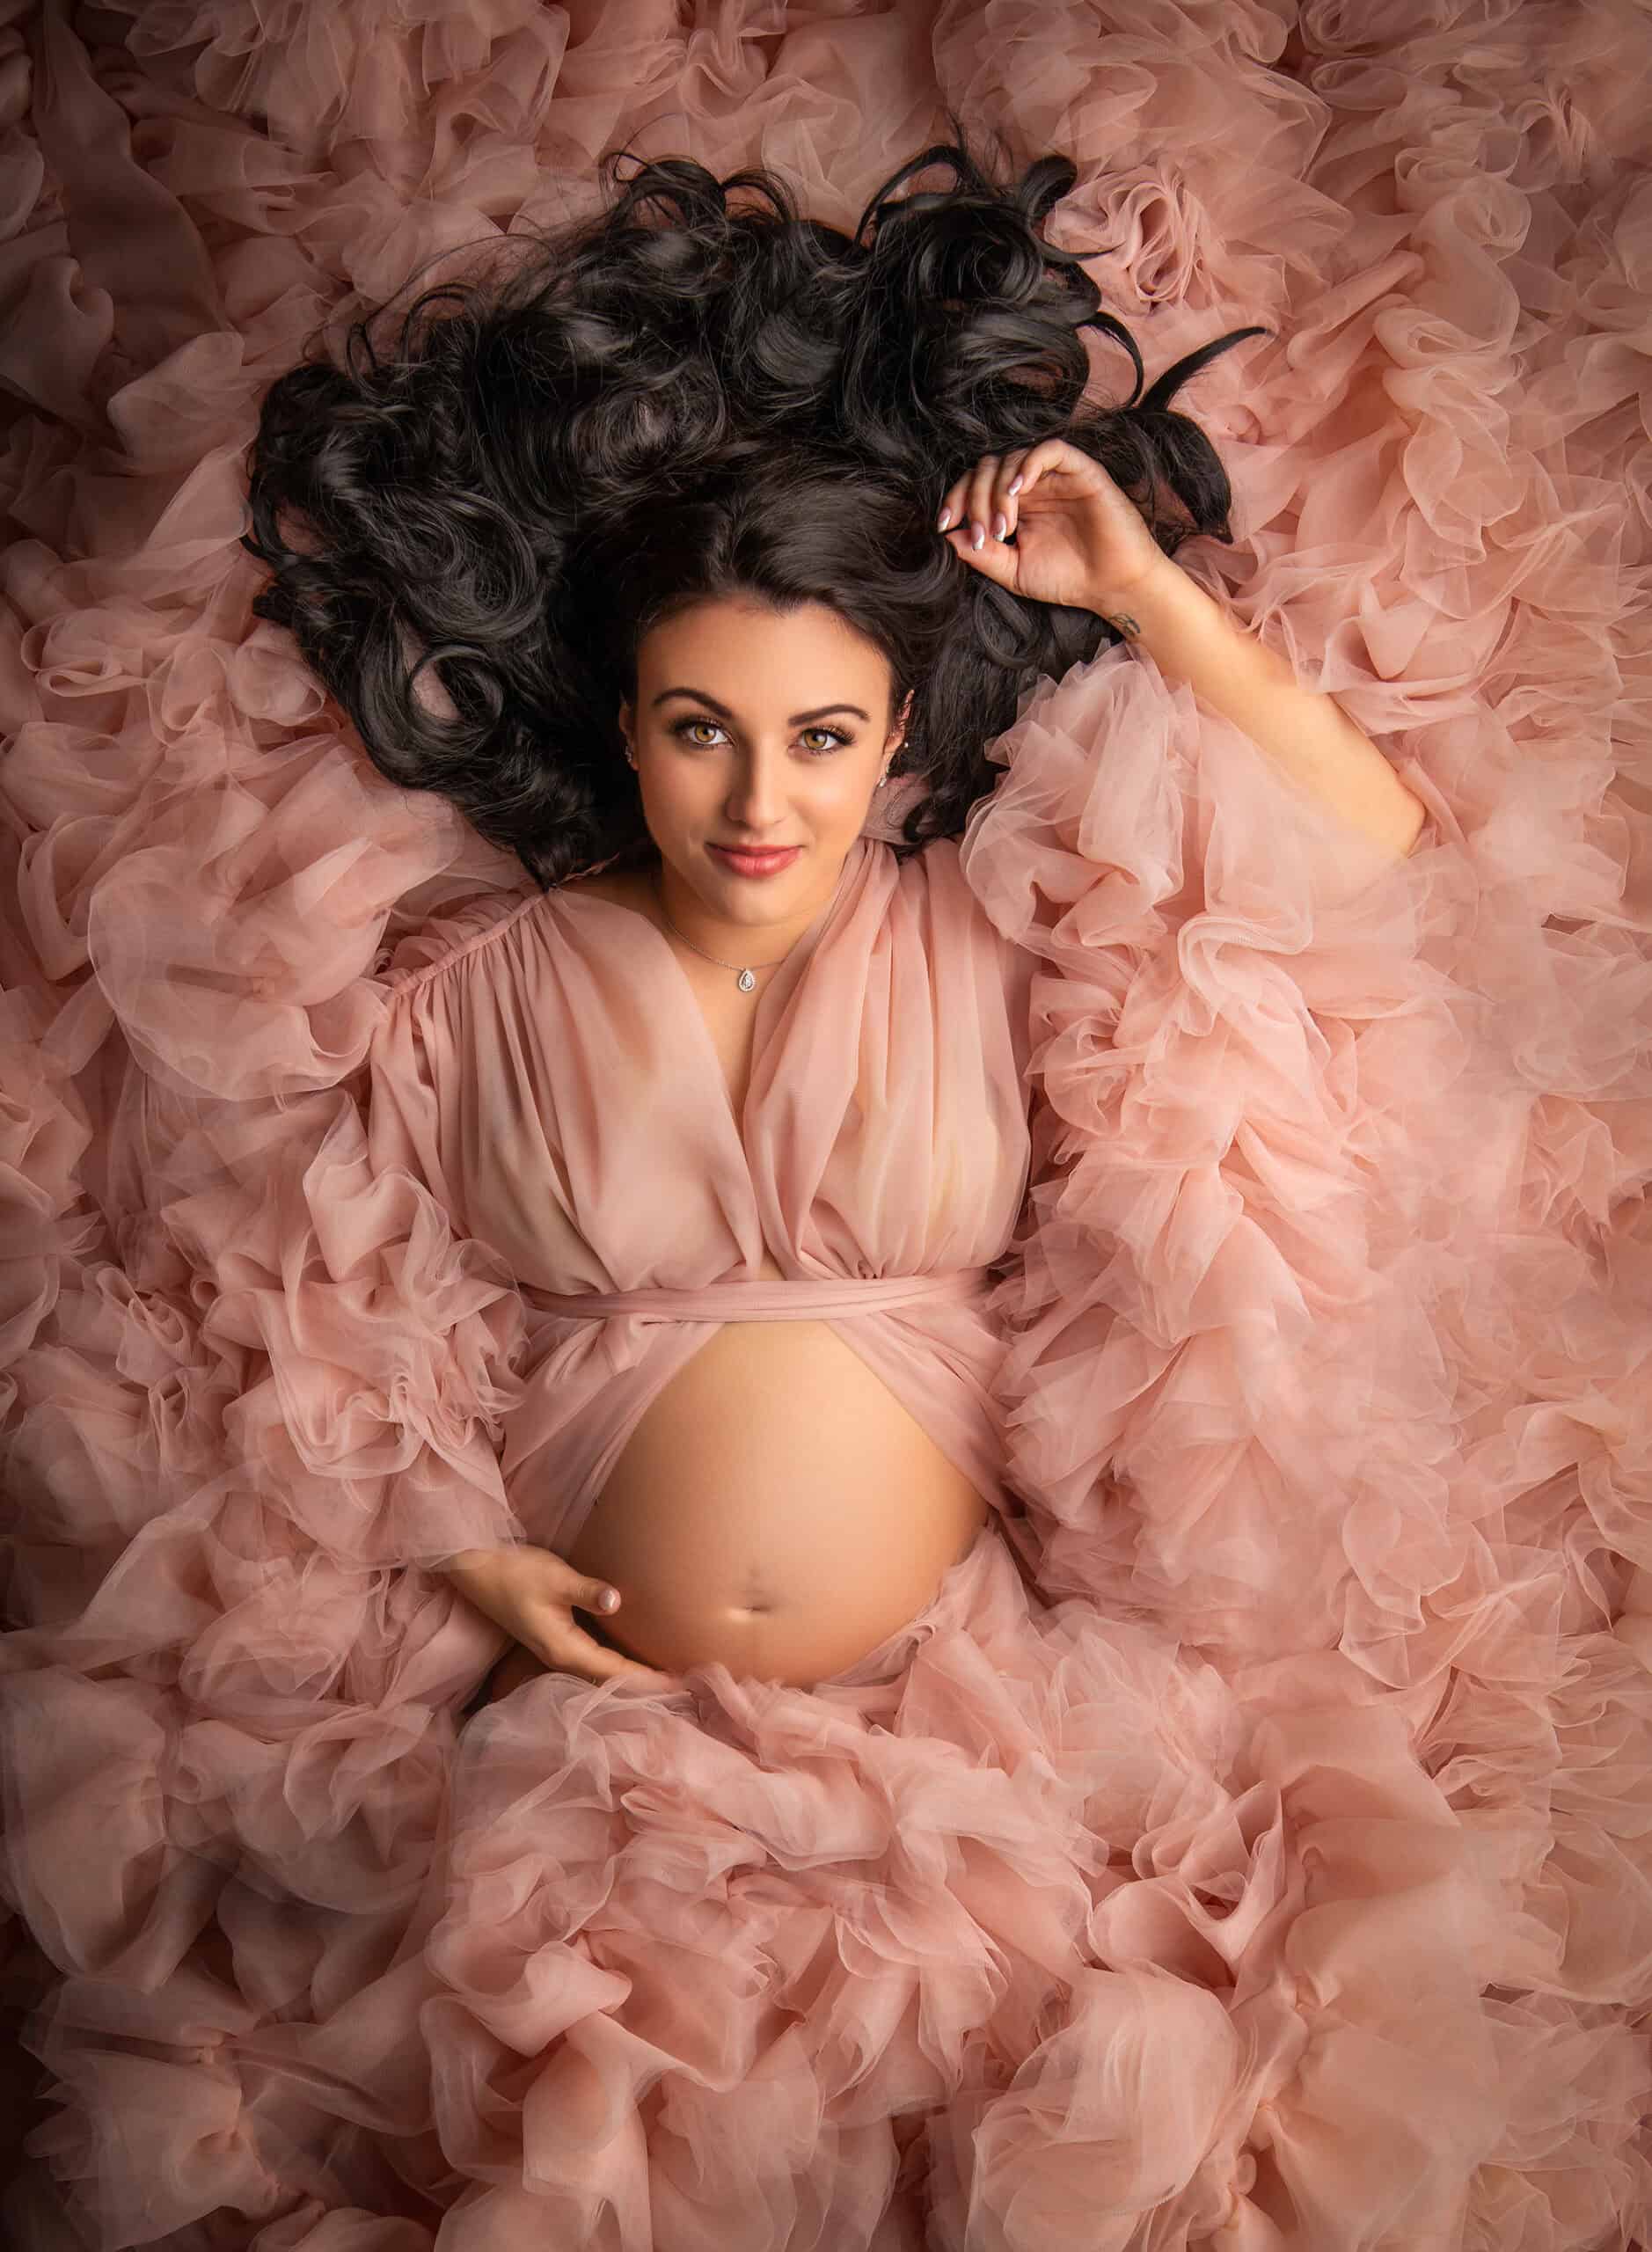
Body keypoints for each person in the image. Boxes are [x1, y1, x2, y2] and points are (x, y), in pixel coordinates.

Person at [10, 131, 1630, 2252]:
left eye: (821, 738)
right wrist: (458, 1547)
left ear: (893, 742)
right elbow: (320, 1294)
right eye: (703, 730)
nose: (761, 800)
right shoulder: (470, 985)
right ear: (627, 723)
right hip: (587, 1748)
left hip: (968, 1714)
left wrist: (1142, 595)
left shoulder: (987, 928)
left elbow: (1365, 844)